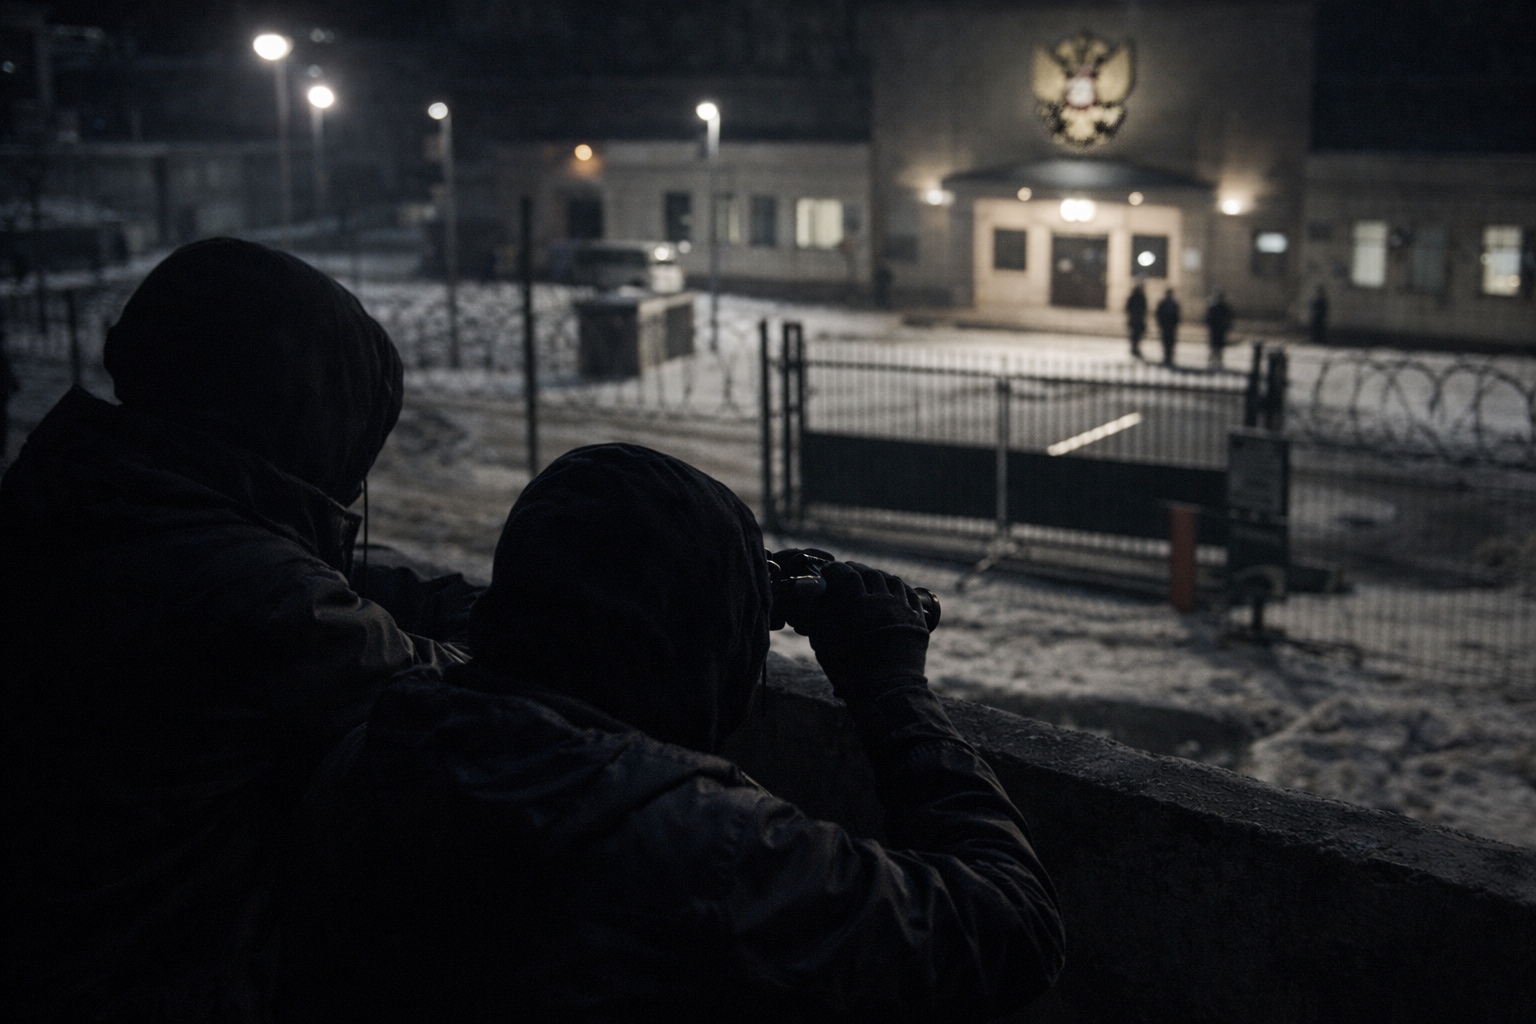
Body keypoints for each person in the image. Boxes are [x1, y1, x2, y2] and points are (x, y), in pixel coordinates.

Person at [277, 443, 1066, 1023]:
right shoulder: (697, 845)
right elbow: (1010, 928)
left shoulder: (385, 735)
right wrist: (890, 685)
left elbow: (539, 614)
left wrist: (724, 583)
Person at [0, 238, 483, 1021]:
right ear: (300, 414)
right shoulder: (266, 606)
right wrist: (528, 618)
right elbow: (461, 699)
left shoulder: (79, 498)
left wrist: (443, 599)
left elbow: (313, 576)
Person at [1205, 289, 1234, 369]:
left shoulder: (1224, 307)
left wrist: (1226, 326)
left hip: (1220, 330)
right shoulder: (1213, 306)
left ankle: (1218, 361)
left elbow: (1229, 318)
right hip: (1215, 330)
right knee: (1214, 346)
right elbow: (1208, 318)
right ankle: (1212, 361)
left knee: (1219, 347)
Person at [1156, 287, 1181, 366]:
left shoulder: (1174, 304)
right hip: (1165, 326)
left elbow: (1177, 316)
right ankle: (1166, 357)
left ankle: (1169, 357)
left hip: (1171, 327)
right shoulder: (1163, 304)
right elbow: (1159, 314)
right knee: (1165, 342)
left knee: (1171, 343)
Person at [1124, 279, 1148, 358]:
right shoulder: (1140, 297)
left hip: (1135, 320)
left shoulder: (1135, 297)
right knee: (1136, 335)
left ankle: (1134, 348)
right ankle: (1135, 348)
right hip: (1137, 320)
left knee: (1135, 335)